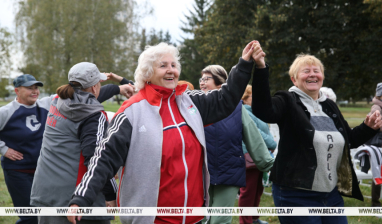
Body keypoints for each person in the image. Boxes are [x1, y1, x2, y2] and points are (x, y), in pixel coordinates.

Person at [67, 41, 262, 224]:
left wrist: (244, 64)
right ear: (147, 73)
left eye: (174, 65)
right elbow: (104, 158)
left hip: (193, 218)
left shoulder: (189, 101)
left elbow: (225, 100)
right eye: (163, 66)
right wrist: (81, 198)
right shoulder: (131, 112)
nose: (171, 70)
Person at [251, 50, 382, 224]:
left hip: (331, 195)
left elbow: (349, 139)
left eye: (316, 71)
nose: (312, 74)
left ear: (322, 77)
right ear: (294, 79)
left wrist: (368, 128)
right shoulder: (287, 100)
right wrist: (261, 67)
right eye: (306, 71)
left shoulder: (329, 106)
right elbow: (263, 110)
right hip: (295, 194)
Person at [0, 72, 133, 224]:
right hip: (19, 171)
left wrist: (118, 88)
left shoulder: (49, 103)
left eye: (36, 87)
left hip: (42, 169)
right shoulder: (6, 112)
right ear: (17, 90)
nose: (35, 91)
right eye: (30, 88)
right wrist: (4, 149)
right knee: (30, 216)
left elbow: (84, 95)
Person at [198, 65, 274, 224]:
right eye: (201, 79)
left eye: (206, 79)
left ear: (220, 83)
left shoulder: (237, 108)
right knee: (202, 219)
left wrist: (268, 164)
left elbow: (253, 136)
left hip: (229, 171)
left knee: (220, 220)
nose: (202, 82)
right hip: (200, 173)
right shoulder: (193, 106)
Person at [239, 85, 276, 224]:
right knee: (248, 192)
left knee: (257, 190)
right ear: (245, 98)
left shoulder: (255, 112)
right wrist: (272, 144)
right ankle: (245, 221)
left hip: (258, 155)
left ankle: (254, 218)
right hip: (250, 155)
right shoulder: (245, 112)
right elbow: (257, 133)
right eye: (253, 97)